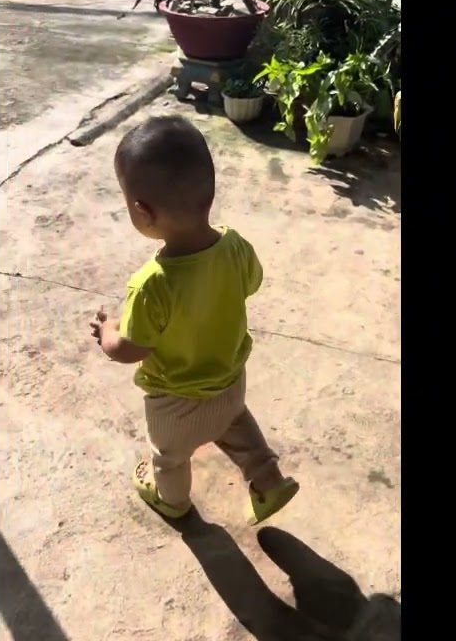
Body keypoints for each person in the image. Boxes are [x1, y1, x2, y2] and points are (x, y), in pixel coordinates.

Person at [89, 114, 299, 525]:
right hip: (229, 382)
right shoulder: (235, 246)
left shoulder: (152, 284)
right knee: (236, 424)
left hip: (175, 404)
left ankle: (172, 500)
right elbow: (252, 283)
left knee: (168, 458)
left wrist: (107, 331)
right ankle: (268, 480)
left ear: (142, 211)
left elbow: (130, 350)